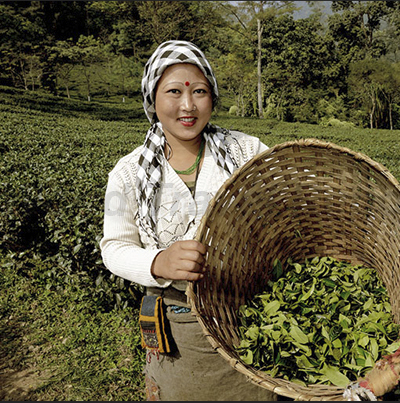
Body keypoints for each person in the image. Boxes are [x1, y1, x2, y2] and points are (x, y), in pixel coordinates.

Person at [100, 40, 276, 401]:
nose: (187, 105)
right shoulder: (130, 172)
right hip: (180, 324)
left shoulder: (247, 150)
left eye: (199, 91)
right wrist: (158, 261)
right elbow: (114, 247)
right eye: (174, 92)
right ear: (153, 99)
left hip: (250, 312)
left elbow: (284, 197)